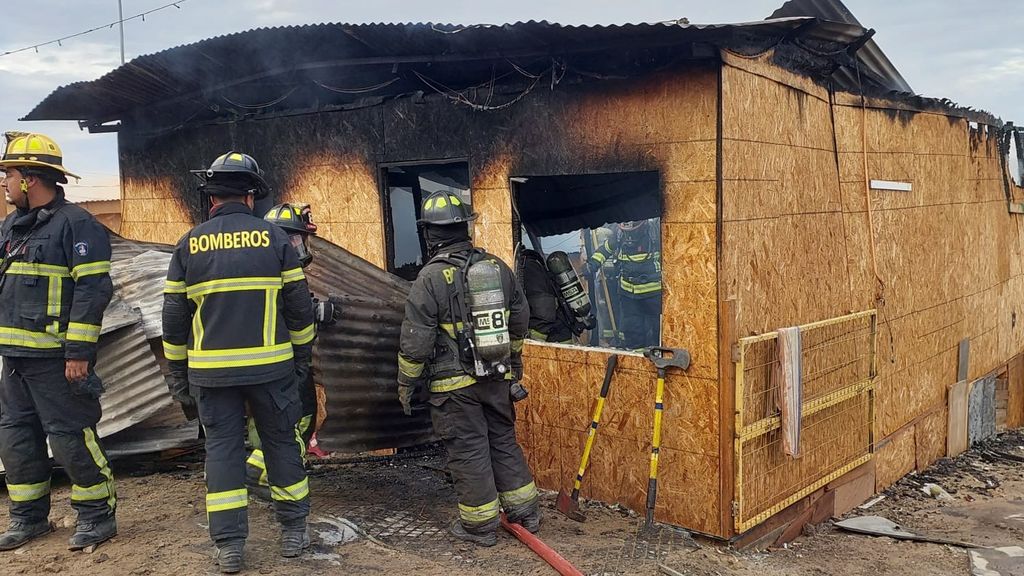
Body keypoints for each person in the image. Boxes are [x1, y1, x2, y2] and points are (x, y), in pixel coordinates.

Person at [161, 152, 315, 573]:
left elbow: (173, 322)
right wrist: (300, 361)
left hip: (212, 376)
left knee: (224, 451)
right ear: (251, 196)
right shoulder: (276, 240)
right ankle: (294, 530)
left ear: (211, 198)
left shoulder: (189, 244)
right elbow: (300, 311)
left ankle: (230, 546)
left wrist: (179, 377)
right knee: (281, 444)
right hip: (273, 371)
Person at [397, 190, 540, 547]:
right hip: (497, 376)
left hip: (452, 389)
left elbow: (416, 341)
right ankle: (527, 513)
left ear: (430, 234)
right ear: (465, 227)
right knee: (503, 441)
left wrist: (406, 385)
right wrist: (514, 365)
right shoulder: (496, 269)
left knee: (469, 449)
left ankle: (479, 527)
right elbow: (520, 319)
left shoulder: (430, 279)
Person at [0, 132, 116, 551]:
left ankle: (97, 515)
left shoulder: (77, 224)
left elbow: (93, 291)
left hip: (56, 360)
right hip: (14, 359)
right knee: (16, 439)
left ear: (30, 179)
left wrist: (79, 352)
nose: (4, 183)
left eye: (8, 174)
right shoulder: (12, 227)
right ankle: (28, 518)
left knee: (70, 437)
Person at [246, 202, 338, 497]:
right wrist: (316, 312)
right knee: (296, 419)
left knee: (276, 422)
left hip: (270, 363)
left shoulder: (258, 267)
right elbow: (286, 310)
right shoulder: (279, 269)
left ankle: (262, 471)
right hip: (285, 363)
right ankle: (271, 477)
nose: (299, 246)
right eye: (295, 238)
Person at [586, 219, 662, 349]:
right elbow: (605, 249)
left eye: (633, 232)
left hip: (652, 294)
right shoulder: (619, 235)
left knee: (655, 330)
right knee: (632, 330)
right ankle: (636, 359)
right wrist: (591, 265)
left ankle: (654, 355)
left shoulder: (654, 233)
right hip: (628, 294)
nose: (630, 237)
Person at [518, 248, 574, 343]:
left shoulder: (528, 267)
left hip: (551, 338)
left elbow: (542, 306)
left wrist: (533, 340)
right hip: (560, 333)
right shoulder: (536, 265)